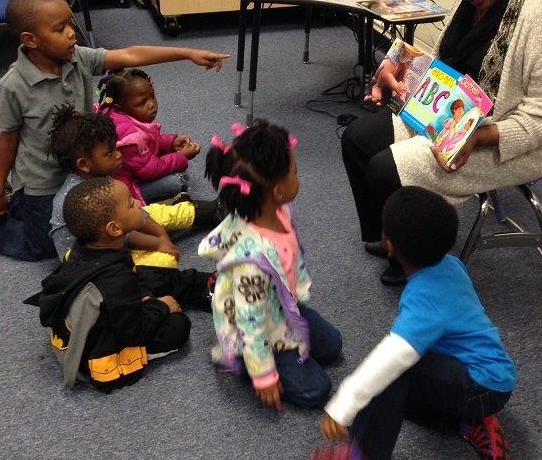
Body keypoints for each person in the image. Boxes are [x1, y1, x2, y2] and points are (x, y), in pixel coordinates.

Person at [341, 0, 542, 286]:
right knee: (356, 139)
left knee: (386, 168)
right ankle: (388, 238)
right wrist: (396, 65)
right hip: (454, 114)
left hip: (505, 136)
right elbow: (442, 59)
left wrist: (479, 134)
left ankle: (413, 260)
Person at [0, 0, 228, 261]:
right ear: (30, 39)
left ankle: (19, 203)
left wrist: (187, 53)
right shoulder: (14, 85)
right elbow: (8, 139)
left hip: (86, 169)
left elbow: (129, 55)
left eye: (70, 23)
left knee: (104, 219)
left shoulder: (77, 57)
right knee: (43, 248)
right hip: (43, 181)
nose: (72, 32)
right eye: (60, 29)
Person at [319, 186, 516, 460]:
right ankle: (471, 421)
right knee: (390, 392)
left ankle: (363, 454)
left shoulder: (424, 300)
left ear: (388, 244)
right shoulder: (451, 264)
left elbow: (391, 359)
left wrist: (345, 402)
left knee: (390, 374)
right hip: (491, 376)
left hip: (481, 386)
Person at [198, 119, 342, 410]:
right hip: (257, 324)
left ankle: (283, 347)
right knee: (317, 391)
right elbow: (251, 321)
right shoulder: (250, 263)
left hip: (282, 307)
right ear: (277, 191)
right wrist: (264, 376)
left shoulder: (278, 209)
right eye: (295, 173)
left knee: (333, 346)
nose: (298, 177)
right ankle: (241, 360)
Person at [30, 177, 214, 392]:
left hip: (113, 304)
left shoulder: (86, 249)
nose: (137, 202)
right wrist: (163, 307)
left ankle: (204, 286)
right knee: (178, 327)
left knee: (154, 276)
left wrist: (145, 297)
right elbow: (135, 331)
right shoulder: (116, 281)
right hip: (103, 350)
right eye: (130, 203)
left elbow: (130, 285)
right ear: (115, 229)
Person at [47, 104, 221, 267]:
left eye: (116, 148)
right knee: (161, 263)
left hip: (115, 232)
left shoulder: (99, 177)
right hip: (94, 264)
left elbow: (138, 214)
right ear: (84, 164)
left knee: (152, 212)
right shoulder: (87, 198)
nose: (118, 155)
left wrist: (160, 236)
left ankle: (213, 211)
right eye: (109, 153)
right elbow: (122, 233)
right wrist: (158, 242)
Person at [95, 68, 201, 204]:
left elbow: (149, 141)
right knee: (175, 183)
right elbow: (151, 170)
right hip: (126, 189)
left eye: (152, 96)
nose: (151, 104)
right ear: (119, 108)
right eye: (142, 102)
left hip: (134, 170)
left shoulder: (116, 115)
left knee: (170, 168)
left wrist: (171, 143)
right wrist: (182, 157)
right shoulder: (129, 136)